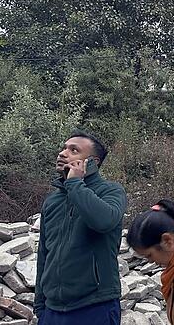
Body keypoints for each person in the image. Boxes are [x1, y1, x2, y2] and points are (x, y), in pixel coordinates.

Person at [34, 130, 127, 324]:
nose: (62, 153)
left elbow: (103, 221)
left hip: (95, 306)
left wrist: (75, 183)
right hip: (52, 311)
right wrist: (40, 306)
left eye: (73, 150)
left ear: (93, 161)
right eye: (64, 148)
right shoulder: (53, 201)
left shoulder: (110, 191)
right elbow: (44, 253)